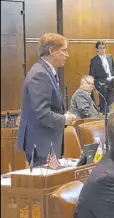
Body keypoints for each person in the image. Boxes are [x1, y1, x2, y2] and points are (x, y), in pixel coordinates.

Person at [17, 33, 75, 166]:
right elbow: (42, 113)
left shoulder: (46, 71)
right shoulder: (40, 74)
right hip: (41, 145)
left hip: (45, 143)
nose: (67, 55)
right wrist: (64, 119)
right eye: (64, 50)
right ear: (52, 50)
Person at [89, 41, 114, 112]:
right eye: (100, 48)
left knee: (111, 104)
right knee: (103, 106)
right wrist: (94, 86)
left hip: (110, 84)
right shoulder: (94, 60)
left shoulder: (109, 57)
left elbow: (113, 69)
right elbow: (91, 74)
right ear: (97, 49)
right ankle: (103, 120)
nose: (102, 50)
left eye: (104, 48)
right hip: (101, 85)